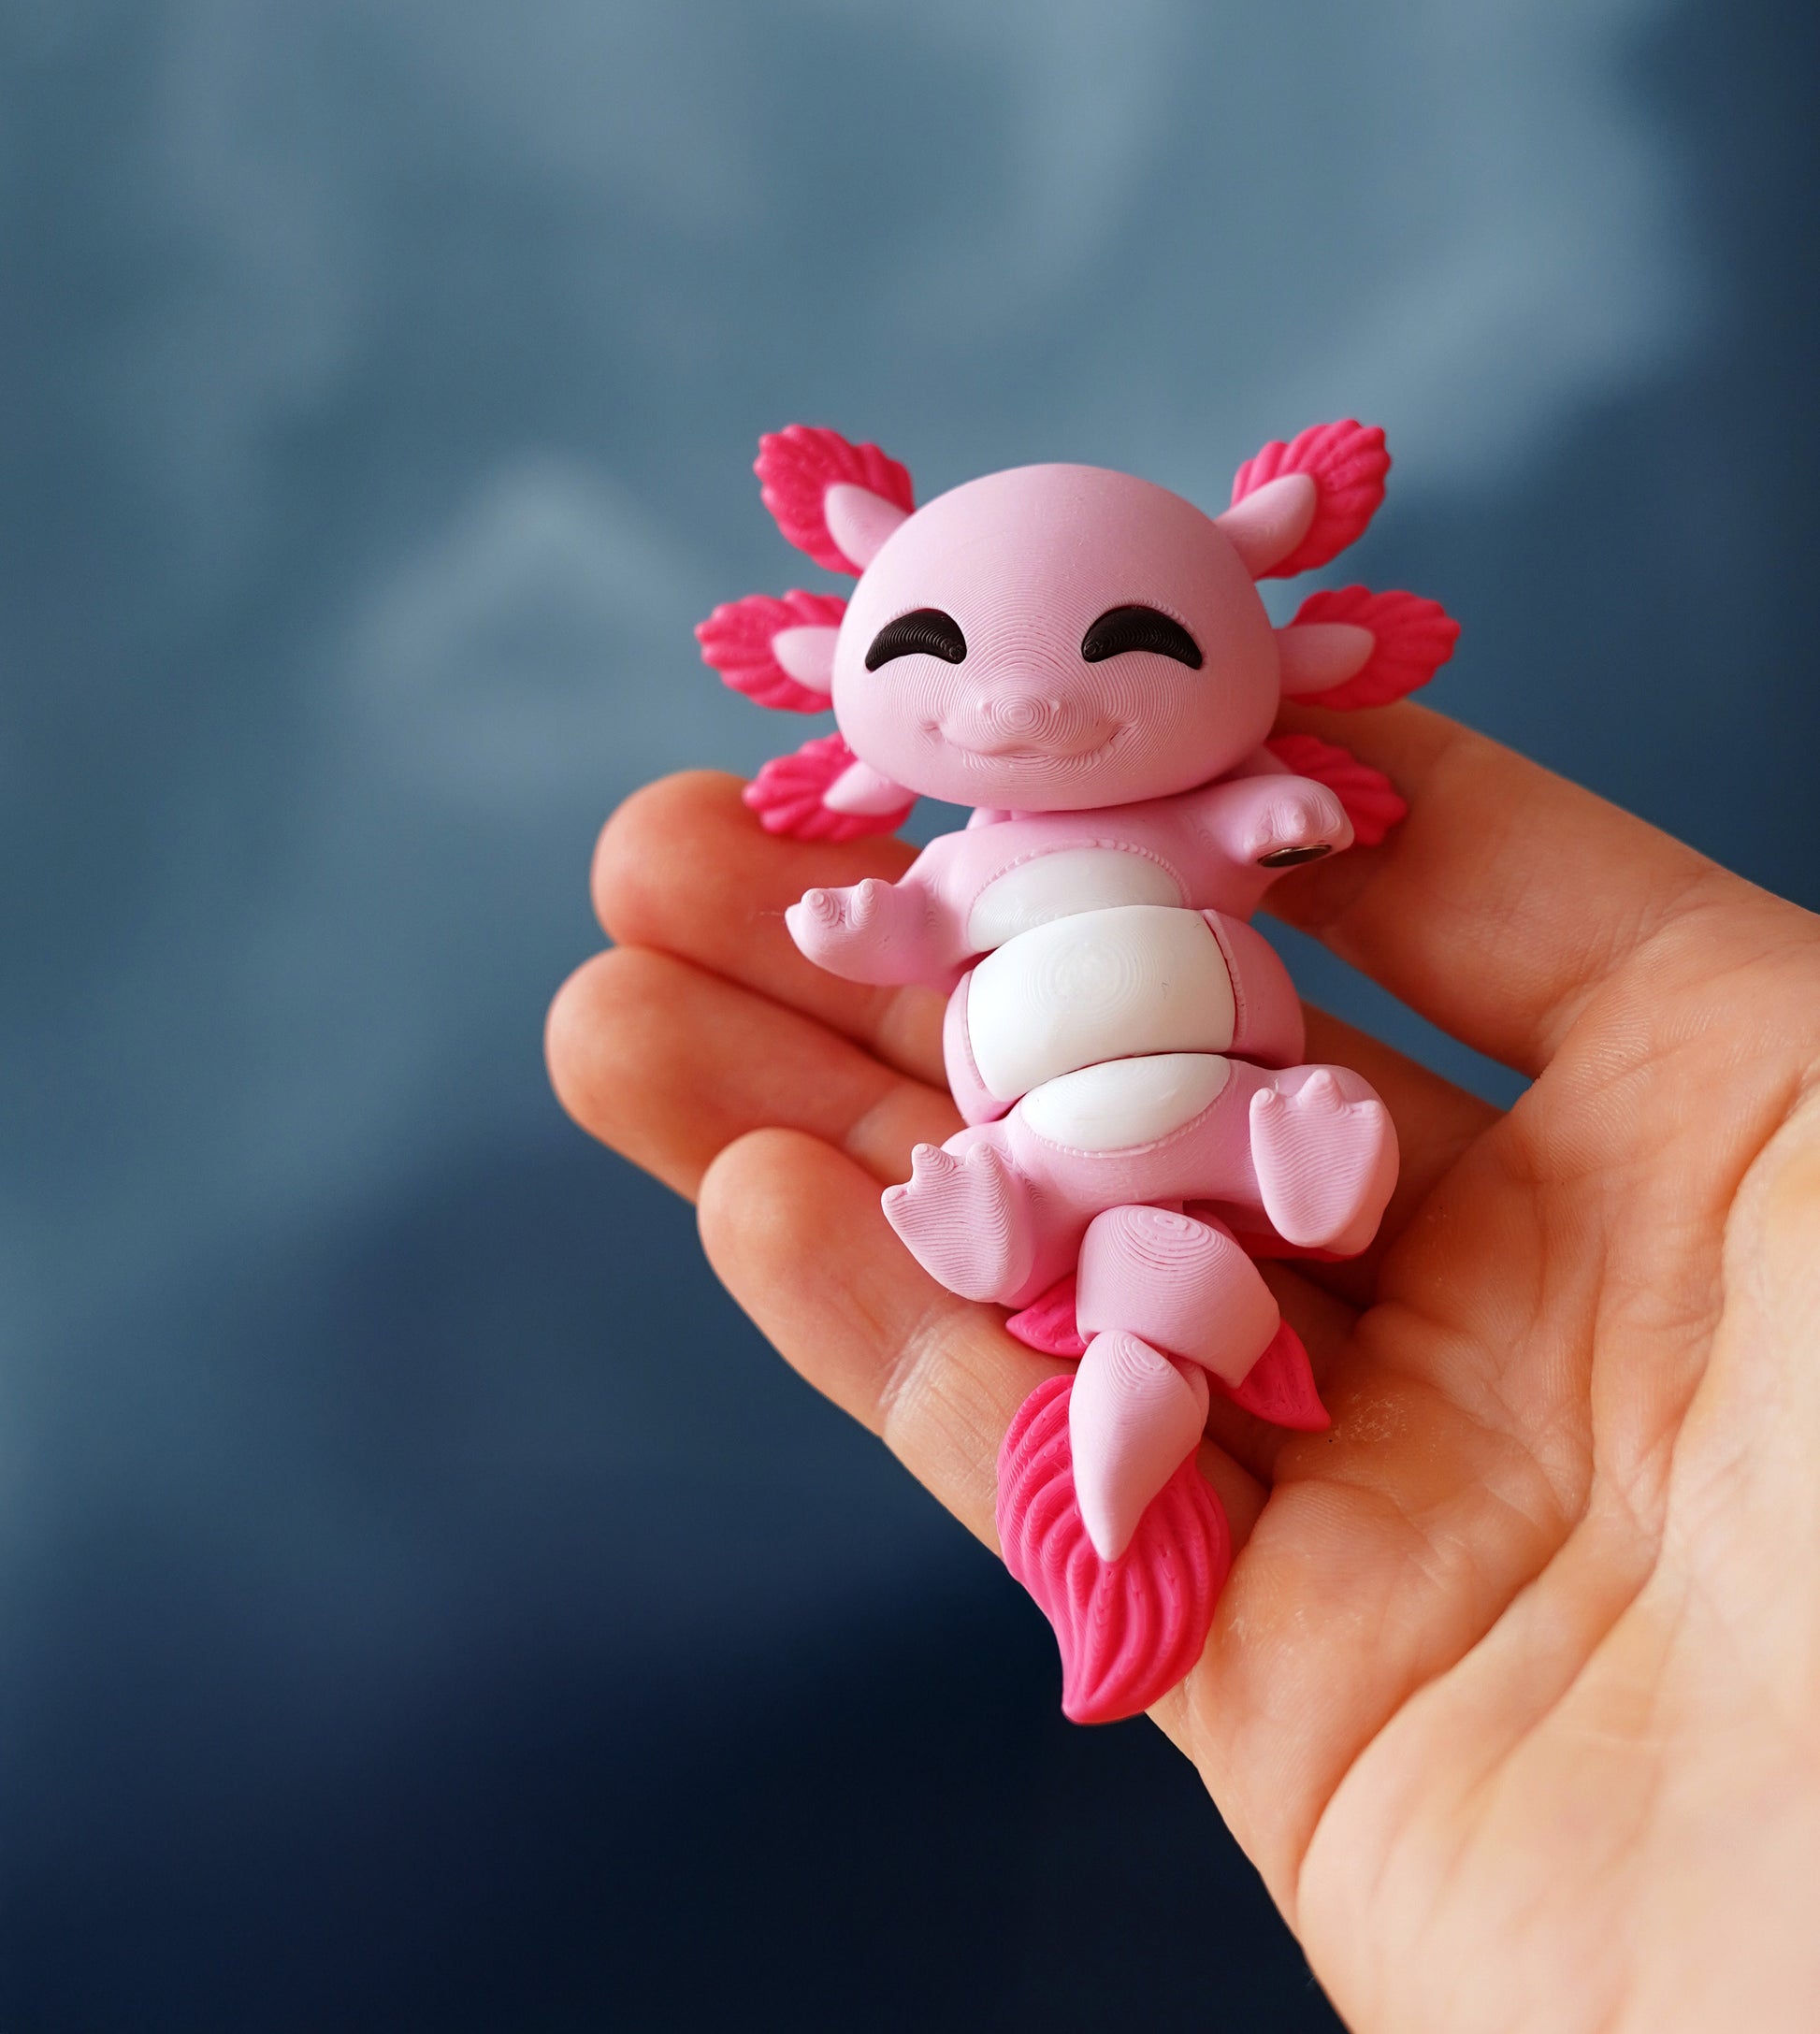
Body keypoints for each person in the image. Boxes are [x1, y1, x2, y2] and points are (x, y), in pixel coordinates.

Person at [545, 697, 1820, 2032]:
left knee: (1276, 1146)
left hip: (1225, 1105)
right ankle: (1007, 1238)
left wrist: (1272, 819)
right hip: (1050, 1145)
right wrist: (865, 930)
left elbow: (1247, 839)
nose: (1023, 700)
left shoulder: (1173, 823)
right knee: (1051, 1204)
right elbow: (914, 931)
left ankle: (1294, 1195)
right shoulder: (964, 867)